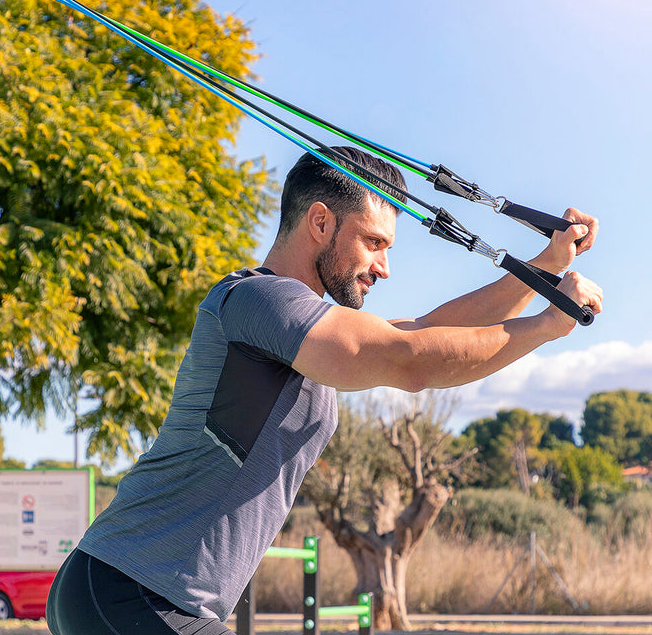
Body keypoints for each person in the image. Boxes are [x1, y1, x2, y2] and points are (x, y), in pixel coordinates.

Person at [46, 146, 601, 635]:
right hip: (131, 587)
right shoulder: (259, 300)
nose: (384, 268)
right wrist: (545, 326)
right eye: (374, 242)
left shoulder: (303, 328)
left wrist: (545, 266)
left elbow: (429, 334)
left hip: (146, 594)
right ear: (319, 221)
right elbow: (411, 362)